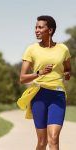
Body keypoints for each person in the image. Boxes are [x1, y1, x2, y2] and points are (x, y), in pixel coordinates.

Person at [19, 15, 71, 150]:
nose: (36, 30)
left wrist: (67, 74)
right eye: (36, 27)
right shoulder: (31, 49)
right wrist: (39, 73)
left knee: (53, 139)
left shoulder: (63, 49)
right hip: (39, 95)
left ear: (50, 30)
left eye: (40, 27)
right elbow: (22, 78)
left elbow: (68, 68)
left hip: (57, 95)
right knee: (42, 142)